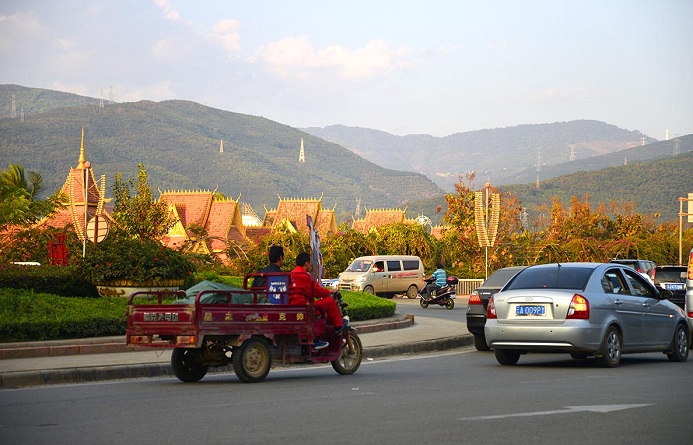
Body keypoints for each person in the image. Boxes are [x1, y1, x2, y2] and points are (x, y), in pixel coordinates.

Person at [289, 252, 348, 350]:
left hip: (294, 307)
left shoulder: (292, 274)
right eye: (310, 262)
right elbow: (317, 291)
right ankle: (338, 327)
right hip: (305, 308)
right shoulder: (304, 276)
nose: (311, 265)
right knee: (329, 302)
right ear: (306, 263)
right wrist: (329, 291)